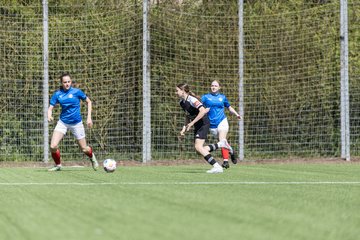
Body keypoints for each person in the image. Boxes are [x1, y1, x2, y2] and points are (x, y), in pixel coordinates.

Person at [176, 83, 232, 174]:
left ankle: (217, 166)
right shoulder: (181, 102)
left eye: (177, 90)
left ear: (183, 91)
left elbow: (202, 111)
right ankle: (221, 144)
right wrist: (184, 128)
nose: (176, 92)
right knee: (200, 150)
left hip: (203, 123)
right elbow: (187, 116)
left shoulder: (192, 99)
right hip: (197, 124)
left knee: (198, 147)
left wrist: (192, 123)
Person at [47, 72, 98, 171]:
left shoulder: (77, 92)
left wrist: (89, 118)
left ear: (71, 82)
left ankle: (92, 158)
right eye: (65, 82)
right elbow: (50, 108)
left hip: (76, 123)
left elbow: (89, 101)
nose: (67, 84)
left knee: (84, 149)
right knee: (53, 146)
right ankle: (58, 165)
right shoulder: (57, 94)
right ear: (61, 83)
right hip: (63, 123)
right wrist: (49, 115)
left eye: (69, 82)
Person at [201, 80, 241, 169]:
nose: (213, 87)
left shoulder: (222, 97)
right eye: (212, 85)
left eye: (215, 85)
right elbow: (199, 106)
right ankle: (231, 151)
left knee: (222, 139)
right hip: (211, 124)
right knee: (222, 142)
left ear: (219, 87)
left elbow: (229, 107)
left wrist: (236, 114)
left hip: (222, 121)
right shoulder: (205, 97)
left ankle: (225, 161)